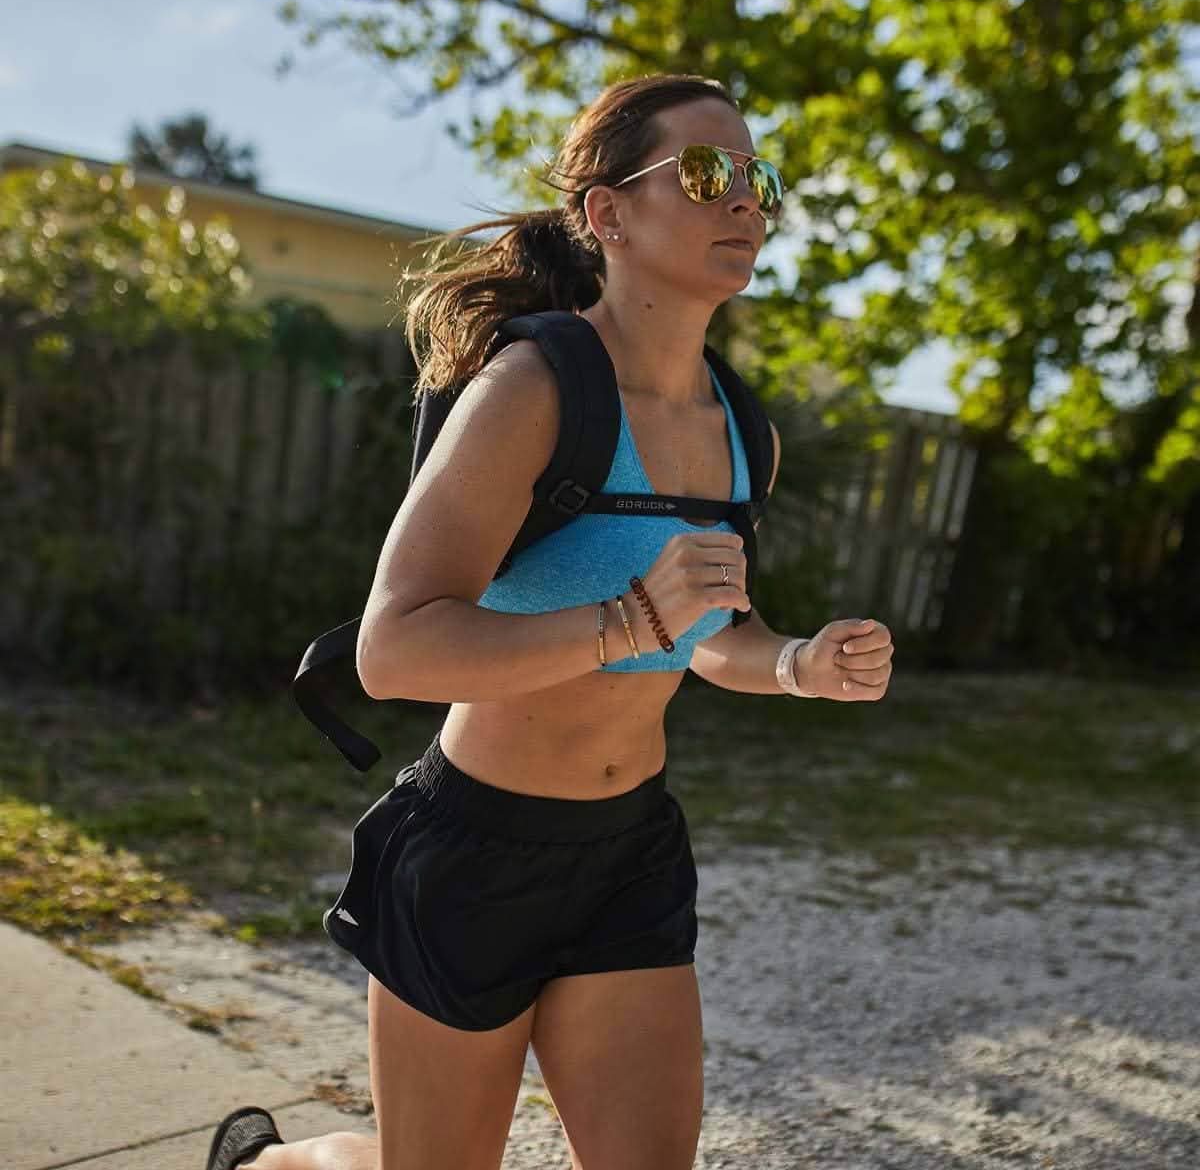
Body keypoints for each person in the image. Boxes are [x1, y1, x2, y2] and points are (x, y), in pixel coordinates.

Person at [205, 72, 894, 1170]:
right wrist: (625, 617)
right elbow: (394, 649)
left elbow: (710, 632)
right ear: (607, 215)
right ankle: (280, 1164)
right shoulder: (532, 389)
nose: (747, 203)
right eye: (709, 174)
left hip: (627, 856)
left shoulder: (738, 429)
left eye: (759, 179)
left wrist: (802, 662)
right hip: (473, 851)